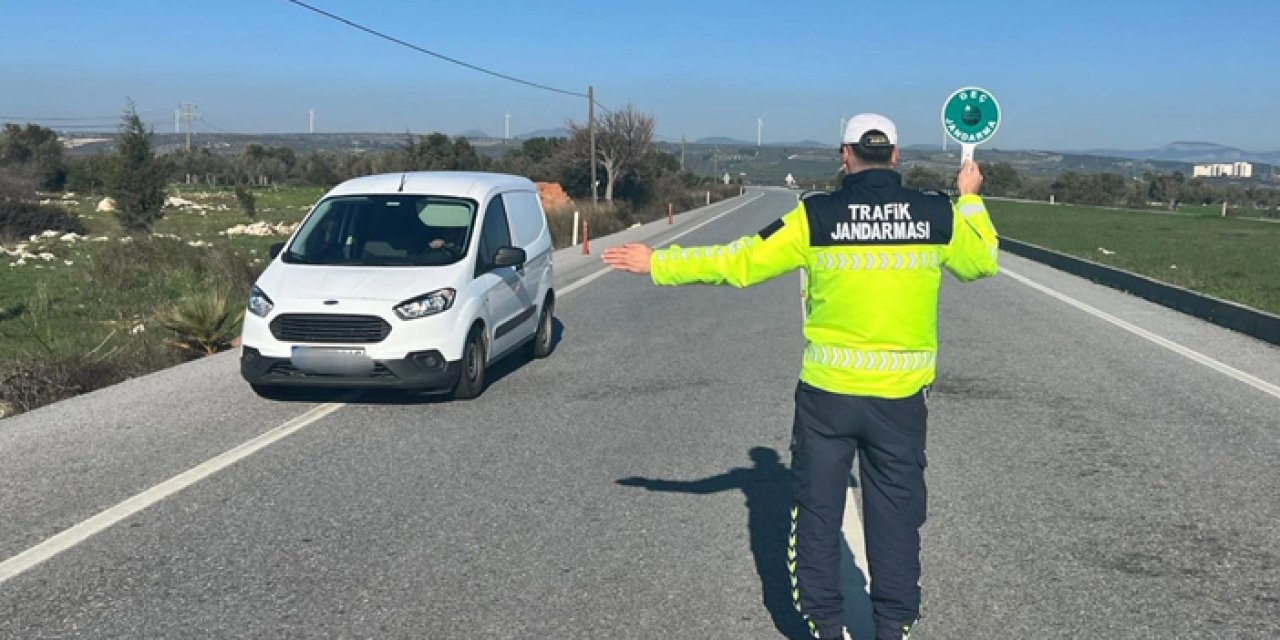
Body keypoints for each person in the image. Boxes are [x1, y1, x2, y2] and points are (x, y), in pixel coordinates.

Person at [601, 113, 999, 640]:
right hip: (900, 401)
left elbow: (740, 262)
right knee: (897, 521)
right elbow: (983, 262)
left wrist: (658, 264)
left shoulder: (815, 216)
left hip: (828, 398)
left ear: (844, 155)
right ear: (896, 157)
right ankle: (894, 626)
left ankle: (825, 627)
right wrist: (969, 195)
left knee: (816, 516)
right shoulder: (937, 213)